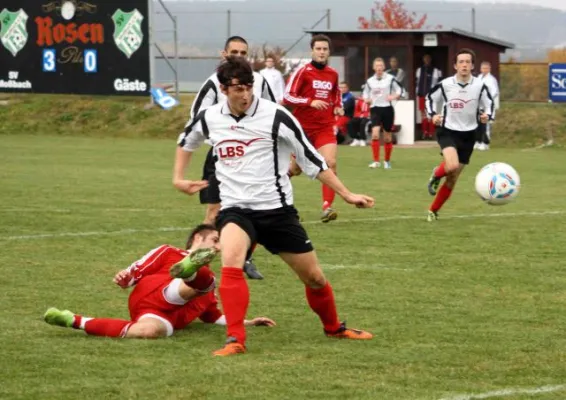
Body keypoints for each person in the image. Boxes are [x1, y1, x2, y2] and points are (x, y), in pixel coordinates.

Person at [176, 56, 375, 356]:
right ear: (223, 89)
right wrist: (179, 178)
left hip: (277, 211)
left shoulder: (276, 116)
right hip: (236, 210)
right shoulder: (210, 117)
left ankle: (333, 327)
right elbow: (186, 141)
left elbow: (311, 159)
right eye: (237, 89)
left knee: (314, 277)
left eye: (248, 87)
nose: (244, 94)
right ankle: (235, 339)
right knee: (231, 262)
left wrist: (346, 194)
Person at [43, 224, 276, 338]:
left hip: (165, 317)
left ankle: (73, 320)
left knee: (148, 332)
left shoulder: (210, 283)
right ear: (197, 237)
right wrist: (125, 278)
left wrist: (248, 322)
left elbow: (212, 316)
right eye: (215, 240)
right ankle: (189, 270)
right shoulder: (168, 251)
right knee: (204, 283)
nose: (217, 247)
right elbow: (135, 271)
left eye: (219, 244)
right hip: (153, 294)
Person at [174, 35, 276, 280]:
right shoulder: (213, 83)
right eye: (234, 52)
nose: (239, 56)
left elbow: (274, 111)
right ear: (224, 54)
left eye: (243, 53)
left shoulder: (259, 81)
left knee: (255, 211)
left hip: (254, 155)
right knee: (214, 211)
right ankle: (197, 261)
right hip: (222, 154)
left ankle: (245, 260)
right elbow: (196, 116)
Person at [425, 49, 495, 222]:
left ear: (472, 66)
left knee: (452, 178)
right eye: (461, 62)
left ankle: (433, 210)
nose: (464, 65)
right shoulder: (446, 84)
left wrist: (488, 116)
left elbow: (490, 103)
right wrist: (433, 114)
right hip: (447, 130)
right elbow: (429, 98)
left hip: (469, 134)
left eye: (467, 62)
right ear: (455, 65)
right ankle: (436, 173)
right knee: (452, 165)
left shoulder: (479, 85)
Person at [283, 34, 344, 223]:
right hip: (303, 130)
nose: (322, 52)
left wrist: (337, 105)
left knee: (330, 162)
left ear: (329, 52)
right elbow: (288, 97)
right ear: (312, 50)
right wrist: (310, 102)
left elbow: (336, 93)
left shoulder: (333, 74)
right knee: (295, 169)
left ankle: (327, 207)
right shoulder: (303, 72)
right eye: (318, 48)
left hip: (325, 127)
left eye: (325, 49)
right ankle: (273, 196)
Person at [363, 57, 403, 169]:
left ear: (384, 67)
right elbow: (365, 94)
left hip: (387, 109)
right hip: (375, 109)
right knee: (375, 133)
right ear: (374, 68)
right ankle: (376, 161)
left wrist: (394, 96)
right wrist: (367, 99)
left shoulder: (391, 79)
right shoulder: (370, 81)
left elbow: (400, 90)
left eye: (381, 66)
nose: (379, 68)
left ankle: (387, 161)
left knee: (387, 137)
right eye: (377, 66)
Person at [416, 54, 442, 139]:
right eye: (425, 59)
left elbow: (438, 83)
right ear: (423, 60)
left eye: (428, 59)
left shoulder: (435, 70)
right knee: (423, 115)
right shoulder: (419, 70)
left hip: (431, 97)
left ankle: (431, 133)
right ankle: (424, 132)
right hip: (421, 95)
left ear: (430, 60)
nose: (426, 60)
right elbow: (417, 83)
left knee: (431, 114)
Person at [476, 61, 500, 151]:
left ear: (489, 69)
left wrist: (486, 100)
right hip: (479, 104)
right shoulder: (479, 77)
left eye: (486, 68)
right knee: (478, 124)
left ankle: (485, 143)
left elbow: (494, 92)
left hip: (488, 105)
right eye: (483, 68)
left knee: (486, 124)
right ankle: (478, 141)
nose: (484, 70)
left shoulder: (491, 79)